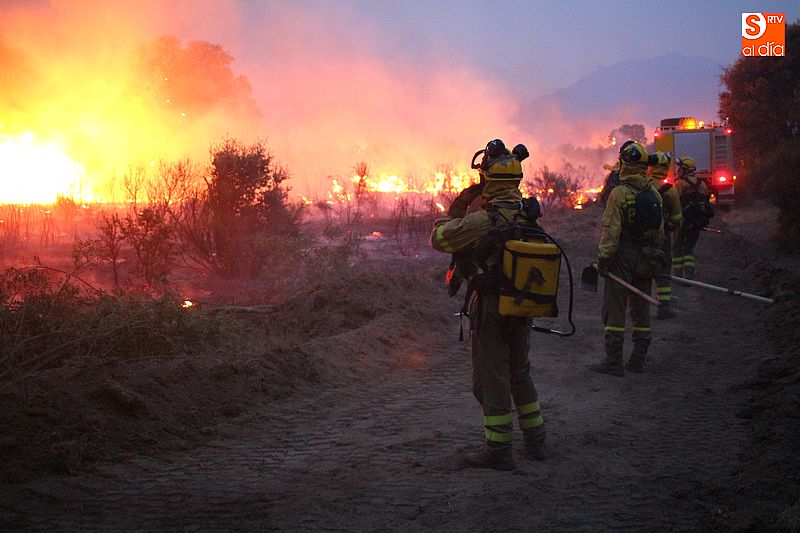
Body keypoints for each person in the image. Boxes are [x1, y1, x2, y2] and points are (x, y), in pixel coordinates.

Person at [430, 139, 546, 471]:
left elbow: (439, 238)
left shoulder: (483, 220)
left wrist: (460, 202)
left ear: (488, 179)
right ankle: (536, 442)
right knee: (519, 372)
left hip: (491, 309)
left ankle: (498, 451)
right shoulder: (527, 214)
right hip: (522, 305)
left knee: (491, 378)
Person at [590, 141, 664, 376]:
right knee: (641, 309)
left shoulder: (619, 194)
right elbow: (660, 232)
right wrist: (652, 256)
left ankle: (613, 362)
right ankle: (638, 360)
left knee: (615, 309)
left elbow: (610, 231)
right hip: (646, 257)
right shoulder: (654, 193)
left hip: (622, 256)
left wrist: (603, 259)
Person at [648, 152, 683, 319]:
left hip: (641, 238)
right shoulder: (670, 191)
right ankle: (664, 309)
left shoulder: (641, 186)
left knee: (641, 270)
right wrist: (670, 225)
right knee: (663, 270)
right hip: (662, 238)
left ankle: (639, 309)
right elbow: (677, 218)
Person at [672, 157, 713, 280]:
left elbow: (675, 201)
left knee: (677, 247)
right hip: (697, 222)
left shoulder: (680, 183)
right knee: (689, 247)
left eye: (681, 168)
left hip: (683, 221)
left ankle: (678, 275)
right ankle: (688, 274)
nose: (679, 170)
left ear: (686, 170)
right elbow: (708, 201)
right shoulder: (702, 183)